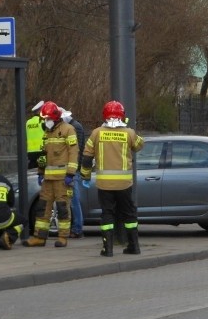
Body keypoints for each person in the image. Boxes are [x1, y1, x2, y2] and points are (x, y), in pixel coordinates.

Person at [80, 100, 144, 257]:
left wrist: (85, 176)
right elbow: (140, 145)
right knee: (129, 214)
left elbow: (87, 158)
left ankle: (107, 249)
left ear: (105, 115)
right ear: (122, 115)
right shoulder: (129, 133)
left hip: (104, 184)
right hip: (124, 183)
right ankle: (134, 246)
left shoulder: (96, 133)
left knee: (107, 214)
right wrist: (128, 127)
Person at [23, 101, 79, 248]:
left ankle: (62, 236)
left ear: (55, 117)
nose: (45, 121)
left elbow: (74, 153)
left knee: (62, 208)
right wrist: (41, 172)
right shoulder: (47, 132)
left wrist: (71, 174)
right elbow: (44, 155)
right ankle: (39, 237)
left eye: (47, 118)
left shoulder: (68, 130)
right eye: (45, 119)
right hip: (48, 178)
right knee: (43, 207)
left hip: (62, 179)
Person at [61, 107, 85, 239]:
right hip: (73, 169)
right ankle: (76, 227)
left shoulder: (75, 127)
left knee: (74, 200)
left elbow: (76, 151)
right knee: (72, 200)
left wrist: (73, 171)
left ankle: (77, 228)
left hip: (73, 170)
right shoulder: (75, 126)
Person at [25, 100, 45, 169]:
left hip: (31, 153)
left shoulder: (28, 122)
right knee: (42, 171)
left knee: (31, 173)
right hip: (42, 152)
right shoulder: (43, 122)